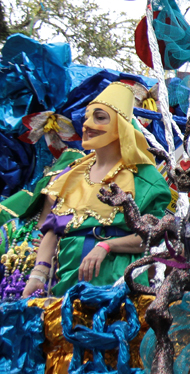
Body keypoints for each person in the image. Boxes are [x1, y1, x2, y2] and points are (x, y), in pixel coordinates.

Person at [20, 82, 174, 296]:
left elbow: (151, 238)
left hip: (114, 282)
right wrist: (38, 275)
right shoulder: (70, 174)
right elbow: (54, 230)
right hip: (65, 280)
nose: (87, 125)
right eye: (86, 118)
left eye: (100, 117)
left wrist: (107, 246)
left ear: (121, 126)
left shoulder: (147, 179)